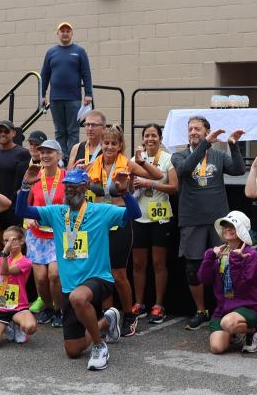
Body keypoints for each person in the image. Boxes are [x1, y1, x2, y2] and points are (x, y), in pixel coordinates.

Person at [15, 167, 141, 370]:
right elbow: (22, 211)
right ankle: (107, 320)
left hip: (98, 278)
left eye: (74, 186)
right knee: (73, 351)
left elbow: (134, 213)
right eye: (67, 186)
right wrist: (24, 187)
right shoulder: (56, 212)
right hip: (69, 286)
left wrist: (124, 192)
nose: (69, 190)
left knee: (78, 297)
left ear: (85, 187)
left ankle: (99, 346)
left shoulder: (101, 211)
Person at [87, 124, 163, 335]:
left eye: (114, 143)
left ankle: (129, 314)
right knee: (100, 271)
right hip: (98, 221)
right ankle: (108, 315)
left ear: (120, 145)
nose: (109, 147)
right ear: (101, 144)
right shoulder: (93, 164)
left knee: (118, 273)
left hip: (120, 218)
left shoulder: (127, 163)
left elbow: (157, 175)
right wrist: (77, 171)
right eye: (106, 143)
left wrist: (142, 162)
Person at [171, 116, 246, 330]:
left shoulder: (218, 155)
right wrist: (205, 144)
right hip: (191, 219)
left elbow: (239, 170)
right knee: (193, 268)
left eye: (198, 129)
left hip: (218, 221)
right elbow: (184, 170)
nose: (193, 132)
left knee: (225, 265)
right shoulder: (179, 155)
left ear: (207, 131)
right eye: (190, 129)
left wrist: (233, 145)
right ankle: (200, 311)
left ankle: (224, 308)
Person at [131, 124, 179, 325]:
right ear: (142, 139)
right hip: (139, 217)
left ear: (160, 138)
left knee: (159, 263)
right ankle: (138, 303)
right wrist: (132, 184)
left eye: (154, 135)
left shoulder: (168, 159)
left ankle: (159, 305)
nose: (150, 139)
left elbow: (174, 188)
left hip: (161, 218)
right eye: (147, 135)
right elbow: (128, 187)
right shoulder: (135, 159)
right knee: (138, 264)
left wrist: (149, 183)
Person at [198, 211, 257, 355]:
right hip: (223, 308)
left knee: (227, 323)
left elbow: (242, 287)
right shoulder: (220, 252)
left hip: (247, 306)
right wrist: (209, 258)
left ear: (241, 230)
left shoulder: (251, 254)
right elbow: (204, 279)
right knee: (217, 347)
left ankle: (252, 331)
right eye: (225, 225)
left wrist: (235, 260)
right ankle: (233, 332)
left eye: (232, 226)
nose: (228, 228)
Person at [24, 140, 67, 328]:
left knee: (54, 275)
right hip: (37, 235)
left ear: (59, 155)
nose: (45, 156)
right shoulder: (34, 176)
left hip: (59, 235)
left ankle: (60, 309)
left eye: (50, 152)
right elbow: (24, 204)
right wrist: (28, 218)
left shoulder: (66, 177)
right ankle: (48, 308)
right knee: (41, 278)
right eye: (42, 152)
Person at [40, 21, 93, 160]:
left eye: (67, 31)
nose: (65, 33)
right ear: (58, 33)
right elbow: (44, 74)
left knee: (73, 131)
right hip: (55, 98)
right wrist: (42, 95)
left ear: (72, 33)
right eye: (62, 31)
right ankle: (61, 159)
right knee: (59, 131)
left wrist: (88, 94)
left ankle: (72, 159)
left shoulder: (79, 51)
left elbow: (86, 73)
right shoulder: (51, 52)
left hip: (73, 98)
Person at [0, 119, 32, 243]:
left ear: (13, 133)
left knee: (14, 240)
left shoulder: (23, 153)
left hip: (14, 205)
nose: (2, 134)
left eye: (6, 131)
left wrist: (24, 204)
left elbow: (27, 182)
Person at [66, 109, 108, 181]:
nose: (90, 128)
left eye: (94, 125)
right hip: (80, 186)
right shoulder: (77, 148)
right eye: (87, 124)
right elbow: (68, 176)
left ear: (104, 128)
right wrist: (75, 170)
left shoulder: (109, 149)